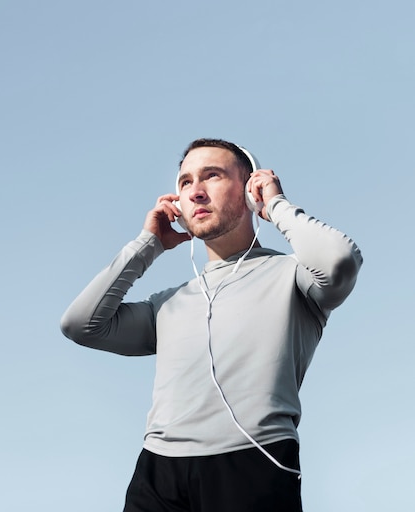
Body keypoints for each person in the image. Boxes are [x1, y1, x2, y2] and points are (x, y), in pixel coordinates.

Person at [60, 138, 362, 511]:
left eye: (212, 176)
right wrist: (148, 244)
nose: (195, 192)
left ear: (251, 189)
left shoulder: (293, 276)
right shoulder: (167, 304)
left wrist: (275, 205)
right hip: (157, 472)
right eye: (185, 182)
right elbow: (80, 324)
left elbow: (339, 262)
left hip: (254, 462)